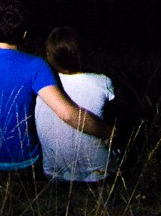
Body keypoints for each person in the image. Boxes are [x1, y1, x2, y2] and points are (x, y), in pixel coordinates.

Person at [0, 0, 112, 172]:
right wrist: (108, 131)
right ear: (24, 34)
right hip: (20, 163)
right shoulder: (36, 66)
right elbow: (67, 114)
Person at [34, 25, 120, 182]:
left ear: (50, 55)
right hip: (100, 173)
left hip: (53, 173)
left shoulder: (43, 86)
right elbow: (114, 122)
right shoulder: (102, 82)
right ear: (83, 53)